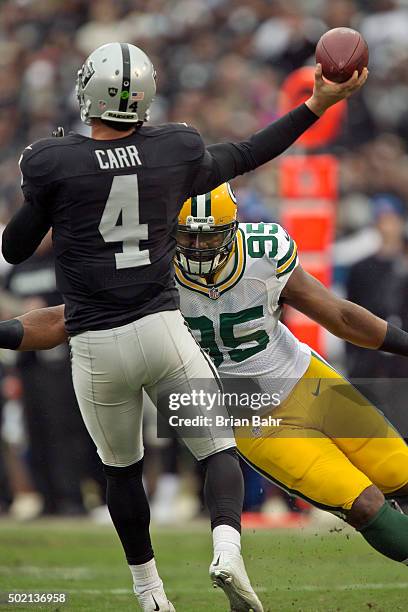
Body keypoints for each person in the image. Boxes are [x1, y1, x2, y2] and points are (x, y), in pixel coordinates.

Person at [1, 42, 366, 611]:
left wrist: (45, 196)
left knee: (122, 473)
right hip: (163, 330)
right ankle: (226, 547)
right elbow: (249, 152)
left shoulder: (53, 161)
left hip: (96, 345)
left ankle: (150, 592)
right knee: (218, 450)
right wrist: (317, 104)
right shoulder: (173, 148)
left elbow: (15, 247)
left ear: (89, 91)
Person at [3, 182, 408, 568]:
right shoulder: (149, 269)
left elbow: (340, 315)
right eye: (188, 236)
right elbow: (64, 319)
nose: (197, 247)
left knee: (400, 471)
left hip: (305, 378)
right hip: (245, 412)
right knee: (364, 503)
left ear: (233, 229)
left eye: (210, 236)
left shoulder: (264, 251)